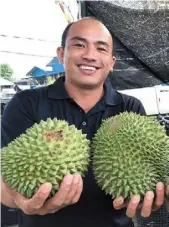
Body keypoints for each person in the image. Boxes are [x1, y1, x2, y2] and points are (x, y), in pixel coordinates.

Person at [1, 17, 168, 227]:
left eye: (101, 49)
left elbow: (150, 169)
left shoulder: (129, 108)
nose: (90, 55)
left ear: (111, 62)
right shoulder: (26, 103)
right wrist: (21, 201)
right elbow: (6, 181)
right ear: (61, 54)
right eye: (79, 45)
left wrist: (148, 194)